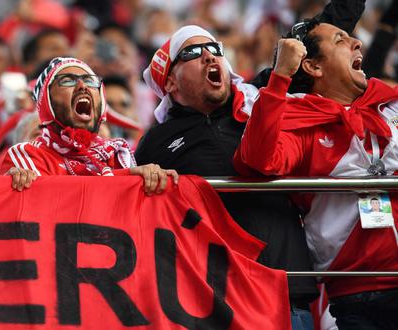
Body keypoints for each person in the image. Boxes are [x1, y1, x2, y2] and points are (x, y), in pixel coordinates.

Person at [134, 25, 318, 329]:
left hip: (285, 293)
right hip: (213, 305)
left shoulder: (258, 107)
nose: (209, 56)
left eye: (214, 48)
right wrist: (140, 175)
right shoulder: (156, 142)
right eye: (192, 53)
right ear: (169, 82)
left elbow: (313, 43)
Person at [235, 19, 398, 329]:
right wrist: (280, 77)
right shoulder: (303, 121)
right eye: (340, 40)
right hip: (360, 295)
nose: (357, 43)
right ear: (312, 66)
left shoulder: (390, 105)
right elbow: (259, 159)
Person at [0, 57, 178, 193]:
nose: (82, 85)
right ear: (47, 104)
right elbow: (55, 200)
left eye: (90, 80)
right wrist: (131, 178)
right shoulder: (27, 155)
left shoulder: (118, 154)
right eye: (67, 80)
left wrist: (153, 178)